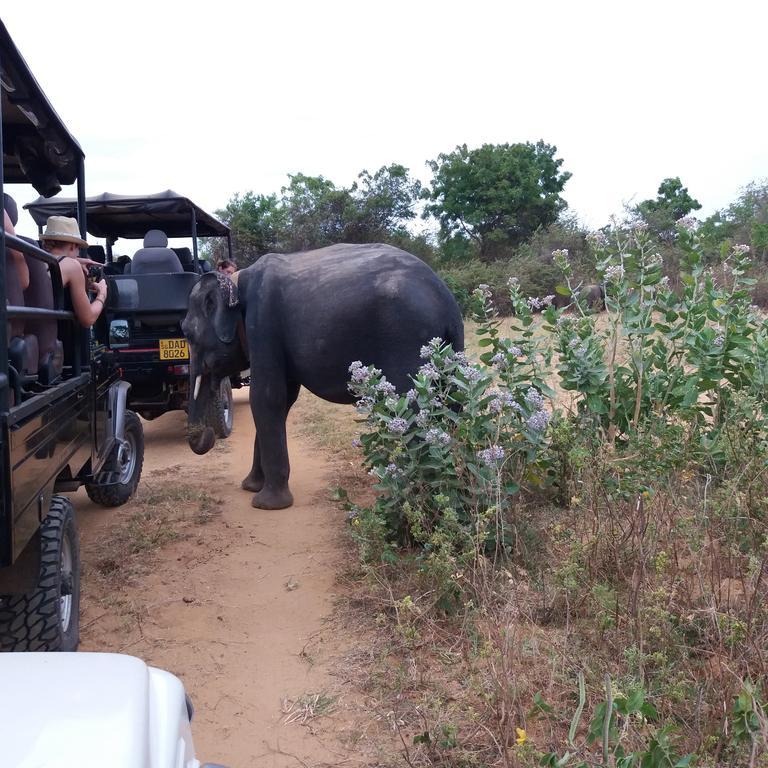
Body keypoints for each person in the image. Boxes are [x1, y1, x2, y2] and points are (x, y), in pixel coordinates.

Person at [40, 216, 107, 327]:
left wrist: (77, 260)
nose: (78, 253)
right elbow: (88, 319)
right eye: (78, 248)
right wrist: (102, 294)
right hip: (55, 334)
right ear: (72, 246)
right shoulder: (72, 266)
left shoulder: (35, 258)